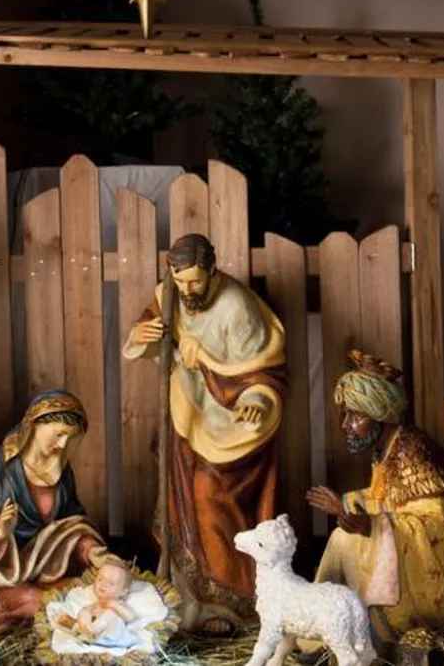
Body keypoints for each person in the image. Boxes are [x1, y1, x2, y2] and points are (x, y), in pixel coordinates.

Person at [122, 233, 287, 633]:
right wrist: (141, 336)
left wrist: (256, 399)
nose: (187, 291)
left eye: (195, 281)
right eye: (180, 282)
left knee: (208, 496)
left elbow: (260, 371)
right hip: (188, 416)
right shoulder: (171, 293)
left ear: (213, 270)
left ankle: (233, 604)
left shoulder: (237, 308)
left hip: (233, 427)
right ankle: (191, 601)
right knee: (182, 507)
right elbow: (151, 329)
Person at [303, 350, 444, 658]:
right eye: (345, 415)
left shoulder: (412, 451)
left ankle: (355, 629)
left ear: (381, 414)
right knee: (342, 538)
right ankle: (322, 625)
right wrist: (350, 507)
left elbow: (434, 526)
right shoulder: (387, 447)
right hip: (396, 549)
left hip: (437, 576)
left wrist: (370, 525)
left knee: (347, 543)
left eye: (356, 416)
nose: (346, 425)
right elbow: (389, 499)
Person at [0, 390, 110, 636]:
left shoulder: (61, 472)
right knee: (36, 600)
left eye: (70, 438)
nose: (63, 445)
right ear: (35, 425)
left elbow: (71, 526)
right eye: (59, 434)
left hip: (48, 572)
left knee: (89, 592)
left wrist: (92, 551)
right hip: (4, 576)